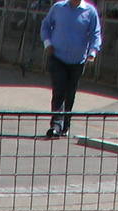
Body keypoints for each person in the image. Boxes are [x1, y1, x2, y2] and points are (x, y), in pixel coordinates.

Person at [40, 0, 101, 139]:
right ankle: (56, 125)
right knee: (59, 90)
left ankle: (65, 125)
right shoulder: (58, 7)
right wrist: (47, 43)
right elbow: (46, 25)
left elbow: (95, 33)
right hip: (58, 57)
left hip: (77, 60)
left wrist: (92, 51)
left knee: (70, 93)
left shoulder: (90, 11)